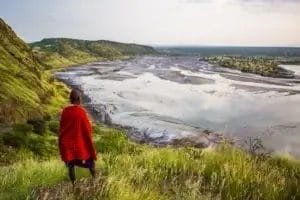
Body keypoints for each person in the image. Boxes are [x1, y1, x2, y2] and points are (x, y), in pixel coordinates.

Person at [59, 89, 97, 185]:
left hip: (67, 144)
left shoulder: (65, 111)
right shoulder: (81, 112)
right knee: (90, 163)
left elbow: (62, 126)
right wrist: (90, 124)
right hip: (78, 144)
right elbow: (86, 128)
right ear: (79, 99)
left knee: (71, 166)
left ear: (70, 99)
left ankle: (74, 185)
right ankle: (95, 180)